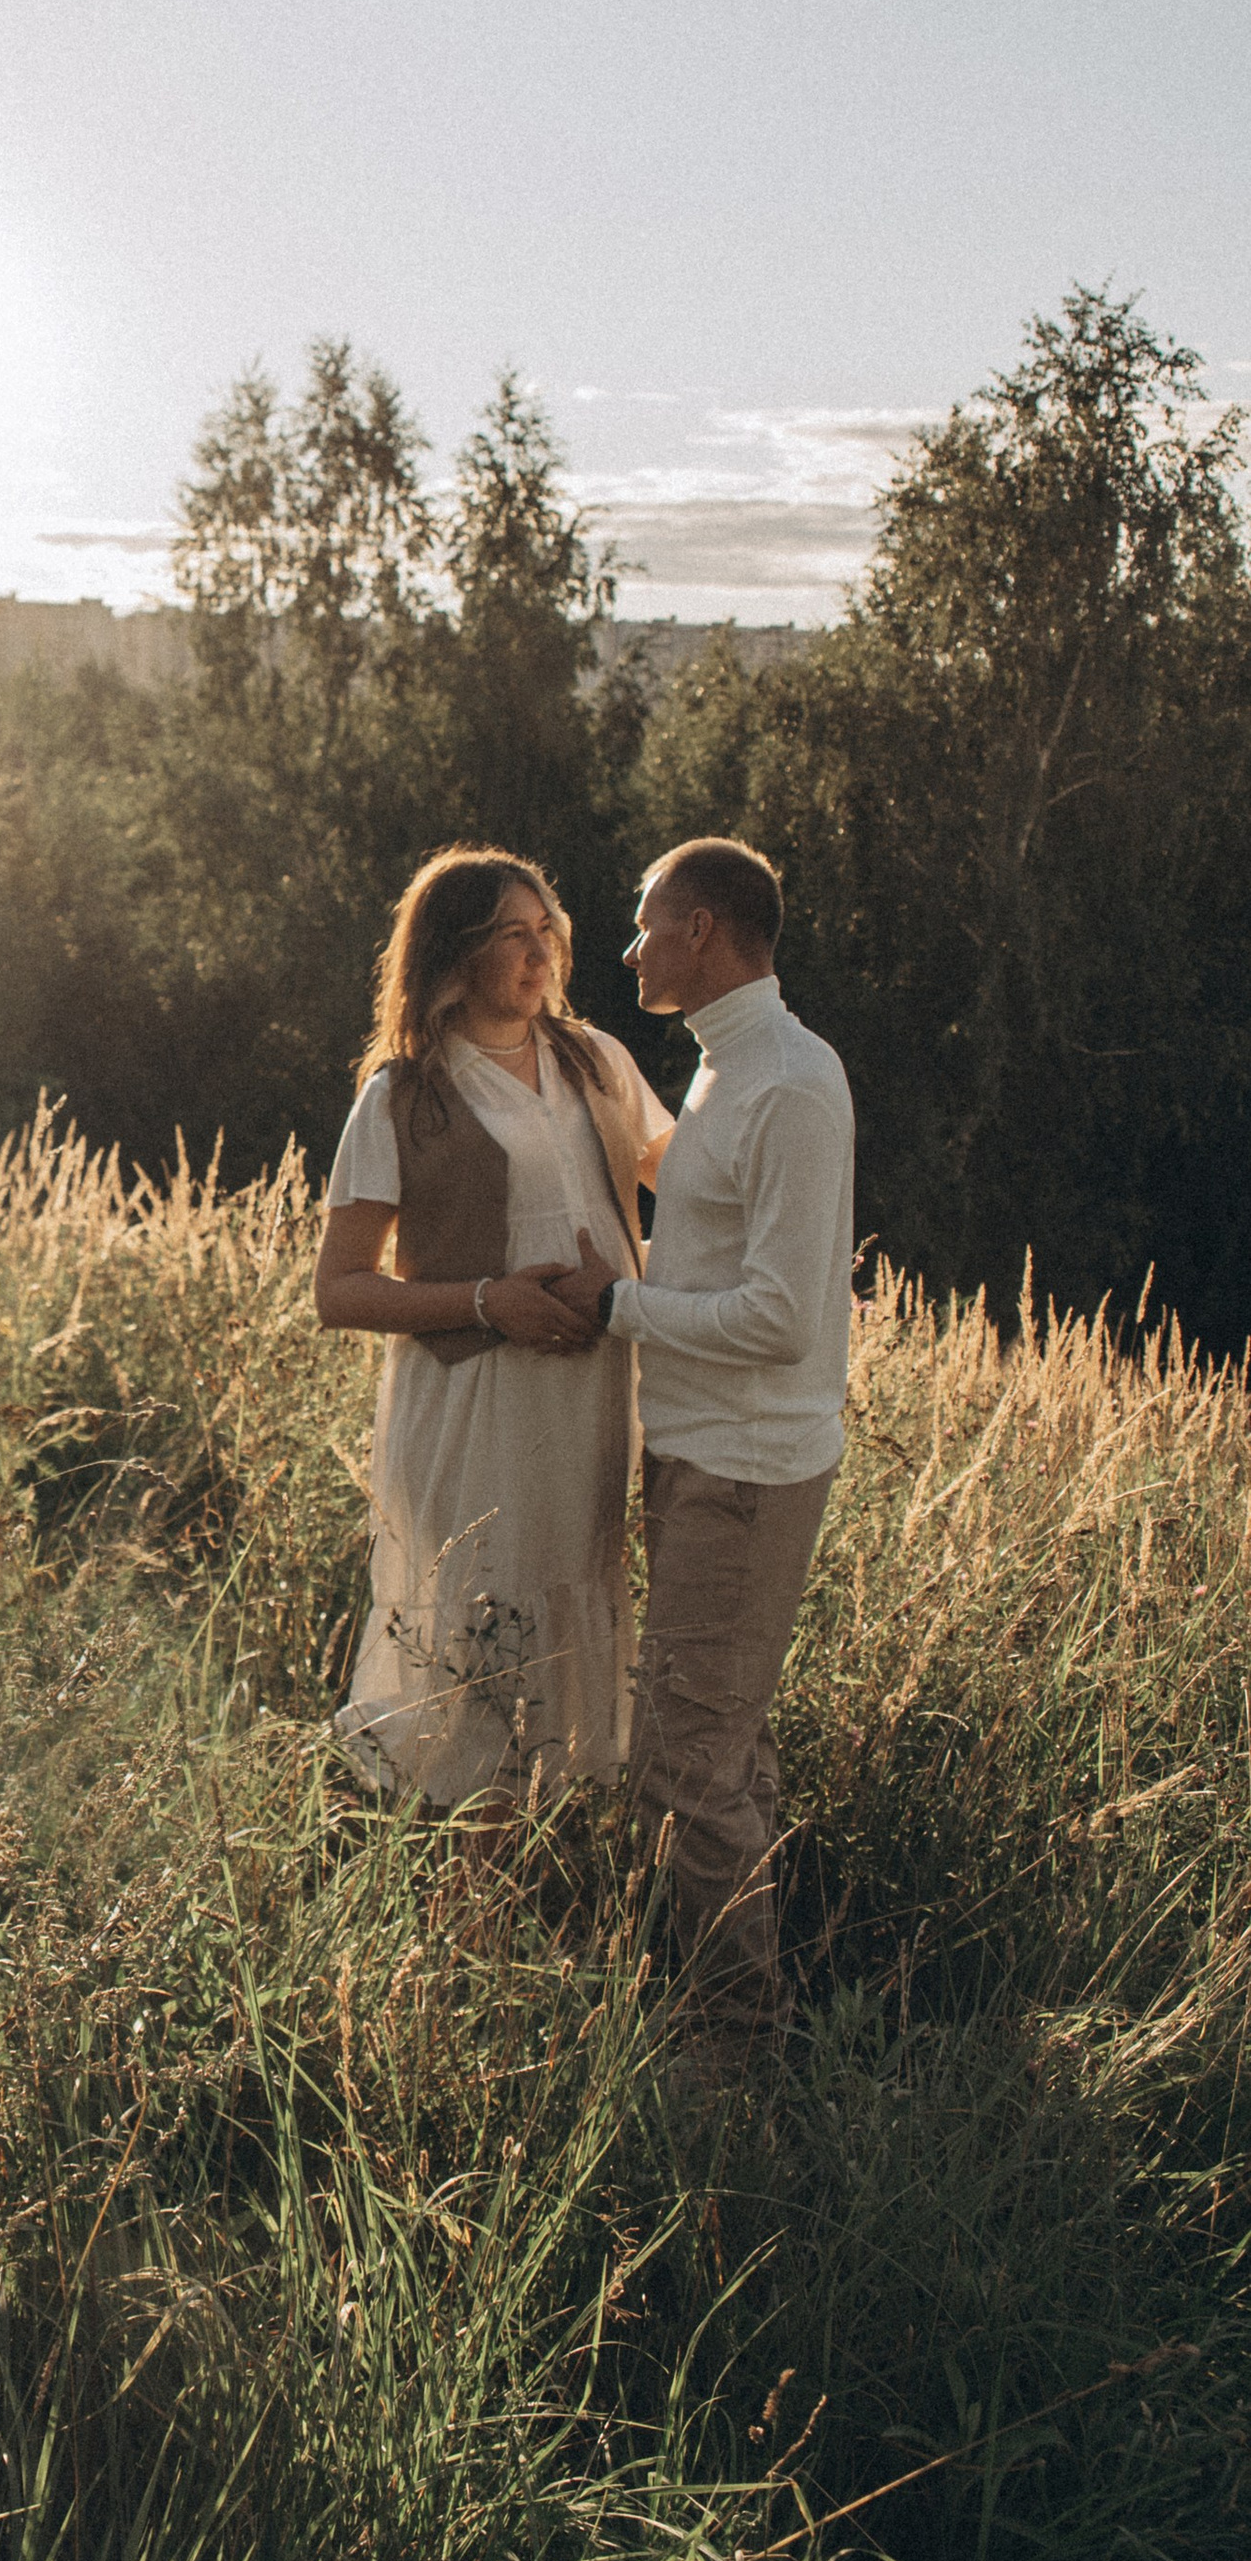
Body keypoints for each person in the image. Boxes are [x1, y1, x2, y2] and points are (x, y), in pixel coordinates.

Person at [540, 837, 853, 2015]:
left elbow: (778, 1318)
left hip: (745, 1472)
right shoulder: (730, 1071)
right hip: (698, 1457)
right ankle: (752, 2003)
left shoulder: (789, 1081)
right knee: (724, 1749)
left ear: (705, 931)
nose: (629, 947)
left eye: (645, 923)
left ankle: (728, 2047)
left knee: (687, 1769)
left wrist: (615, 1305)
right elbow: (716, 1228)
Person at [314, 848, 673, 1820]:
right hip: (472, 1411)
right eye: (511, 934)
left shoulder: (596, 1061)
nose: (538, 951)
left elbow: (691, 1184)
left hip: (588, 1401)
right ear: (453, 954)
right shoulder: (402, 1096)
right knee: (480, 1651)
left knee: (568, 1634)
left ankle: (530, 1904)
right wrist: (486, 1301)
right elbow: (338, 1290)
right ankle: (460, 1922)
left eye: (545, 929)